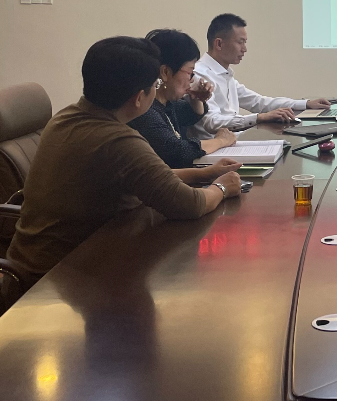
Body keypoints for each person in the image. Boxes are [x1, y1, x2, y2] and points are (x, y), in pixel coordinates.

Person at [6, 37, 243, 287]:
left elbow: (151, 176)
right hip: (56, 278)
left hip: (39, 262)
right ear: (139, 98)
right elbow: (189, 204)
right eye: (155, 85)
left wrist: (205, 173)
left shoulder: (66, 118)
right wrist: (222, 187)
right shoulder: (118, 141)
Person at [192, 14, 331, 137]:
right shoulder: (199, 75)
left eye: (245, 43)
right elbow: (212, 122)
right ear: (219, 44)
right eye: (240, 42)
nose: (244, 49)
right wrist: (259, 118)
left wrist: (306, 104)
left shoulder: (225, 75)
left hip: (233, 142)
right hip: (215, 149)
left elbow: (259, 102)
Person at [129, 29, 237, 168]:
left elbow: (191, 114)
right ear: (165, 72)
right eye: (190, 72)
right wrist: (221, 141)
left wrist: (196, 98)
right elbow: (177, 152)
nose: (192, 79)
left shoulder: (166, 103)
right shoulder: (146, 109)